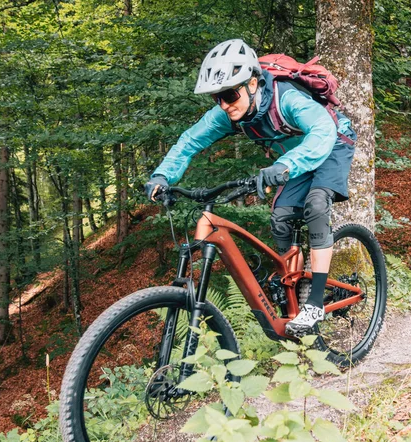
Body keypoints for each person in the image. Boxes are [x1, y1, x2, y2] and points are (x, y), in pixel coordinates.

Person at [144, 39, 356, 336]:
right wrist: (162, 176)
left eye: (230, 95)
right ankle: (293, 291)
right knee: (281, 217)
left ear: (253, 83)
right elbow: (190, 141)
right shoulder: (230, 111)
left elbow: (322, 130)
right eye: (217, 98)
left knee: (316, 205)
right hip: (295, 158)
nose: (224, 105)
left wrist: (285, 166)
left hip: (332, 143)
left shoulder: (287, 100)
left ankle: (315, 302)